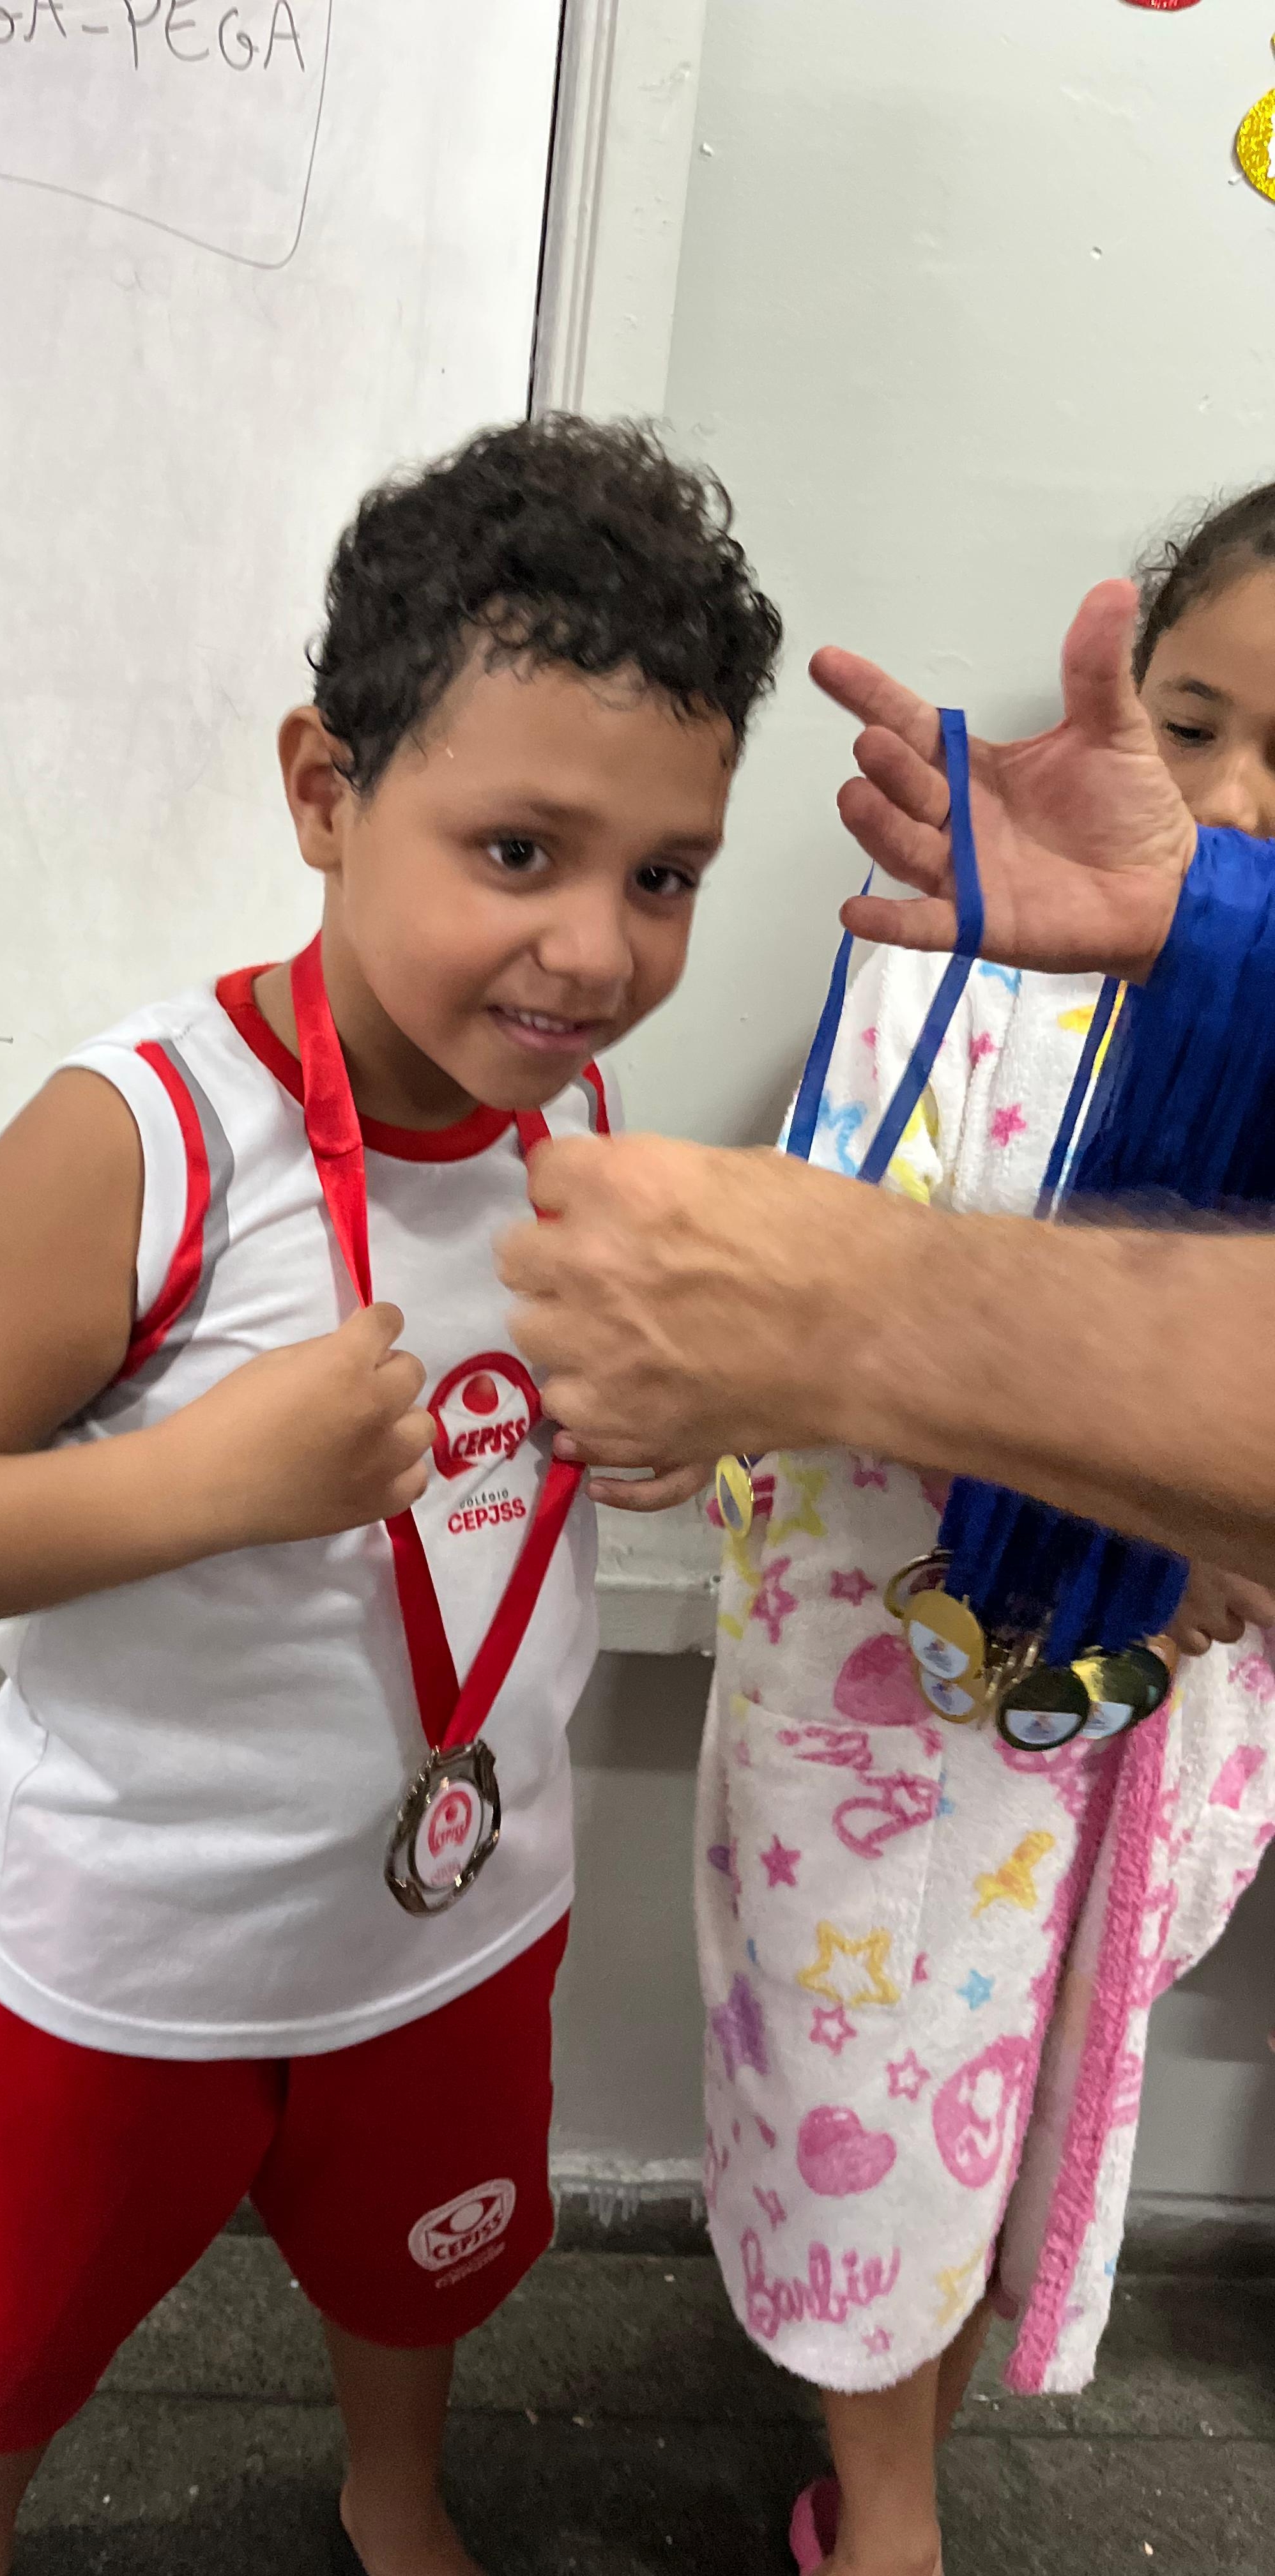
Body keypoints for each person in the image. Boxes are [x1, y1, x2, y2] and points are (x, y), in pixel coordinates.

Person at [0, 416, 783, 2576]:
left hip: (456, 1914)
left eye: (664, 876)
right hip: (134, 1937)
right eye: (516, 850)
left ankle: (388, 2485)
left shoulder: (577, 1118)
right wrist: (200, 1486)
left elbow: (533, 1433)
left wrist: (654, 1436)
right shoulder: (141, 1137)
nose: (594, 950)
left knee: (417, 2264)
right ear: (327, 794)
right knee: (9, 2331)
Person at [680, 488, 1275, 2576]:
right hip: (900, 1688)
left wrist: (1225, 1518)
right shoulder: (966, 962)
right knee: (880, 2093)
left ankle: (900, 2450)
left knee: (1002, 2110)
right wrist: (714, 1380)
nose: (1233, 804)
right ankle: (891, 2512)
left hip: (1155, 1710)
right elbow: (823, 1273)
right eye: (1193, 725)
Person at [498, 577, 1275, 1584]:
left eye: (660, 879)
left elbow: (767, 1315)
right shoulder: (953, 989)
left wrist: (1192, 1521)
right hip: (880, 1619)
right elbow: (750, 1303)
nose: (1229, 805)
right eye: (1188, 730)